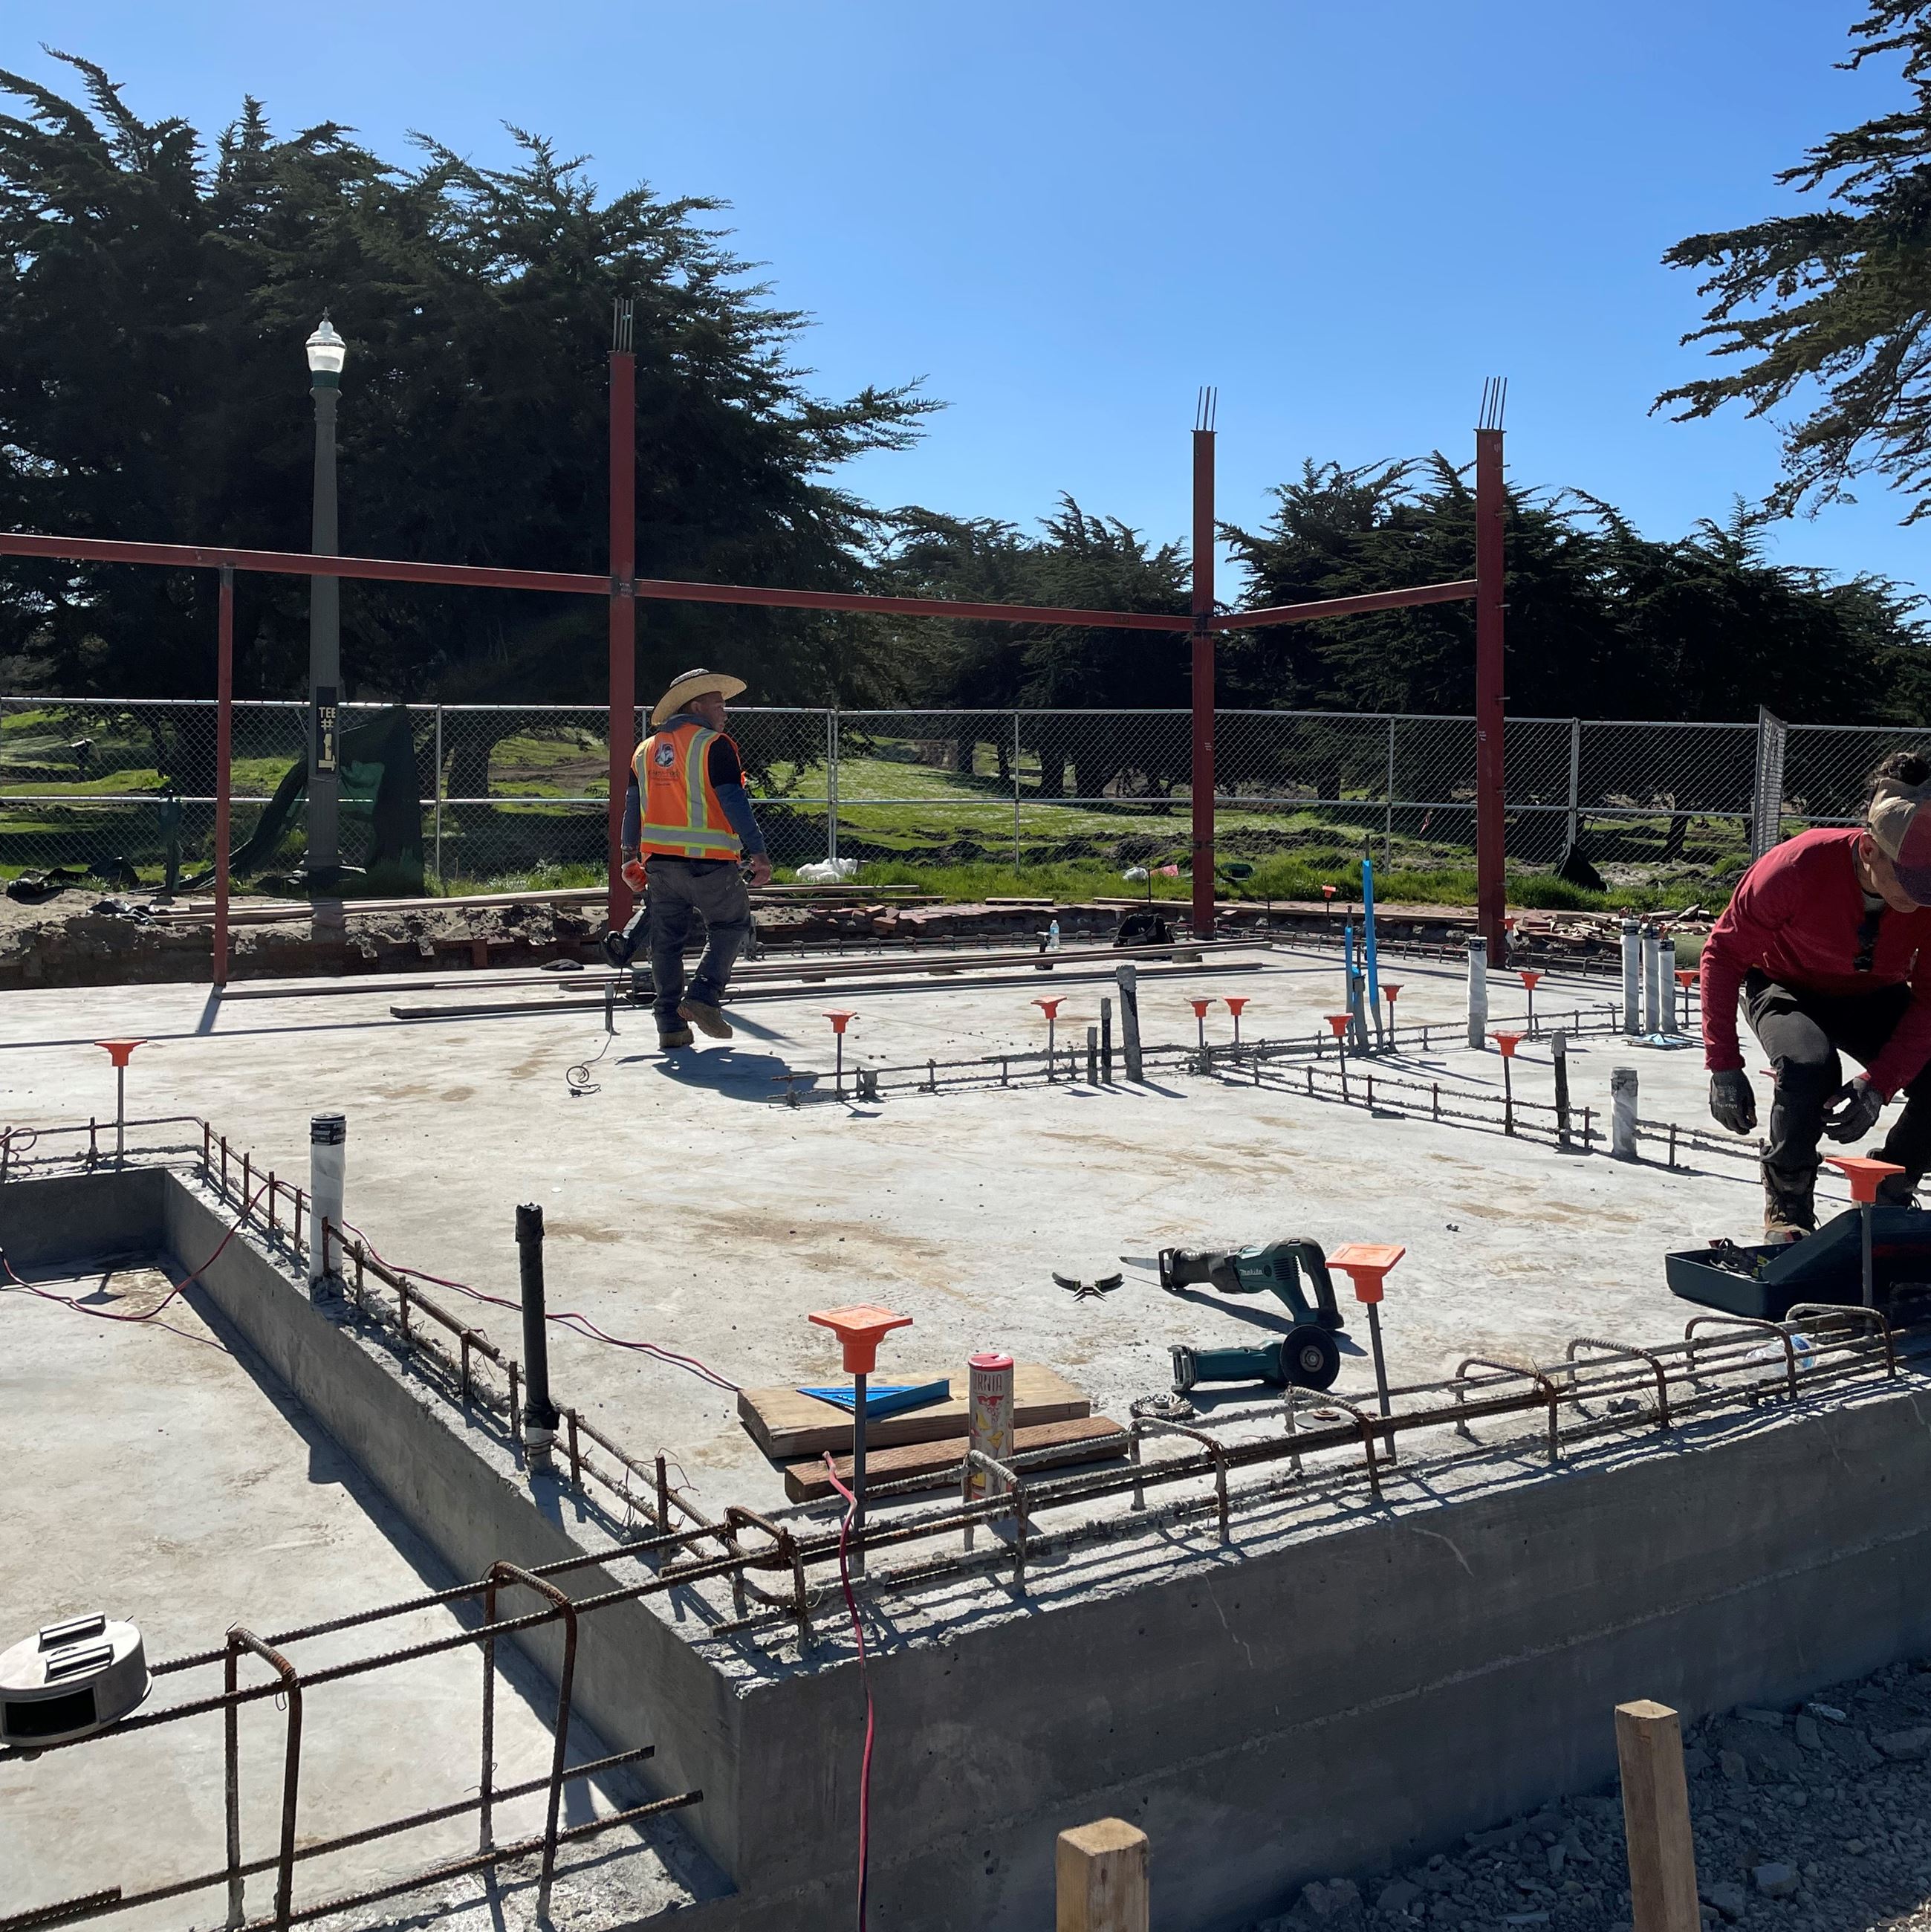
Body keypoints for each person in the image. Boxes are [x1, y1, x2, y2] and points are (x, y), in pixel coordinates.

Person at [1701, 750, 1931, 1239]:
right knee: (1808, 1067)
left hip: (1873, 992)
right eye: (1908, 880)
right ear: (1868, 851)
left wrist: (1879, 1084)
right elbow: (1722, 956)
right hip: (1785, 984)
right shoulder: (1798, 865)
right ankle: (1788, 1204)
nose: (1918, 897)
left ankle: (1890, 1189)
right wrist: (1723, 1065)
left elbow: (1930, 1001)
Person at [620, 668, 773, 1049]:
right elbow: (734, 802)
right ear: (697, 706)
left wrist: (627, 856)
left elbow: (632, 807)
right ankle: (703, 996)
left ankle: (670, 1026)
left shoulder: (644, 751)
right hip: (709, 862)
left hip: (660, 865)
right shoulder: (713, 745)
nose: (725, 712)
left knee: (666, 942)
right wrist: (758, 852)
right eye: (718, 704)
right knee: (731, 924)